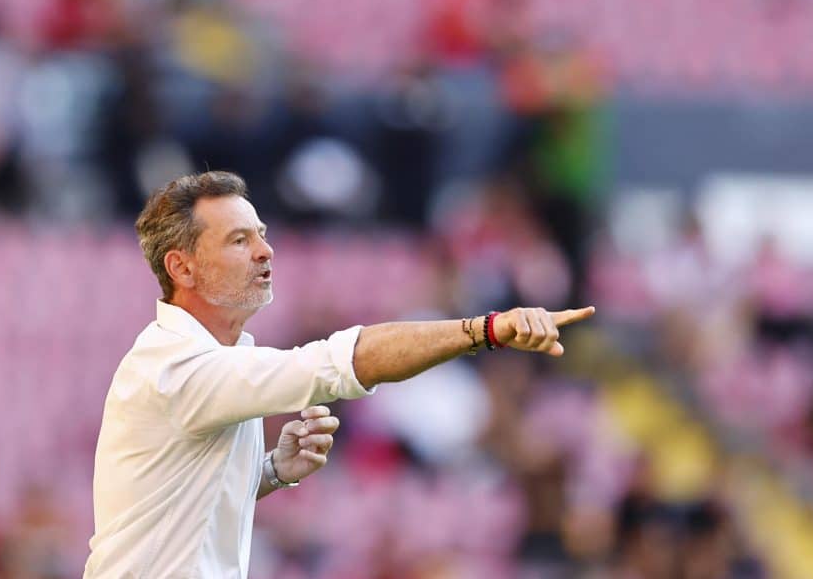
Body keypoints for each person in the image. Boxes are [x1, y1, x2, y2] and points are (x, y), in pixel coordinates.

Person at [83, 171, 595, 577]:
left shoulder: (209, 359)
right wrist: (485, 329)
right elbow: (341, 362)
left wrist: (270, 472)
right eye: (239, 241)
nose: (265, 251)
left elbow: (178, 501)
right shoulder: (179, 366)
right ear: (182, 268)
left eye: (261, 235)